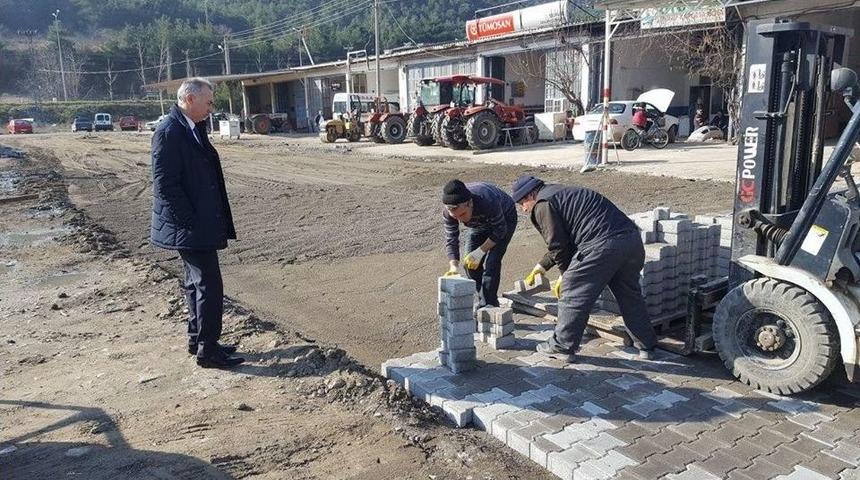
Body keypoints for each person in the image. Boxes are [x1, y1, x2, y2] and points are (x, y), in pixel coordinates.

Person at [510, 175, 658, 362]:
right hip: (631, 241)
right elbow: (568, 238)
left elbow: (558, 245)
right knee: (629, 295)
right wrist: (543, 265)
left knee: (572, 295)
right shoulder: (561, 193)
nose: (523, 209)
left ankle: (561, 346)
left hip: (602, 245)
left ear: (531, 195)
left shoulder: (543, 204)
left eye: (522, 203)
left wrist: (566, 276)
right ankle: (647, 347)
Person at [150, 77, 244, 369]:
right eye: (208, 101)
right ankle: (208, 350)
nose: (211, 107)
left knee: (195, 284)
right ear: (190, 99)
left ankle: (199, 341)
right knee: (209, 286)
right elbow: (166, 185)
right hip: (191, 227)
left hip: (196, 224)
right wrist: (190, 222)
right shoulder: (170, 132)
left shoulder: (192, 128)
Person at [442, 179, 517, 309]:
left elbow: (500, 231)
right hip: (478, 224)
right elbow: (451, 239)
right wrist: (453, 266)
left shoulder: (487, 200)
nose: (460, 220)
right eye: (455, 217)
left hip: (505, 219)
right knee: (469, 264)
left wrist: (480, 251)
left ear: (470, 203)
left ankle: (490, 304)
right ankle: (485, 299)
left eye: (462, 214)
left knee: (492, 261)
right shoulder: (449, 213)